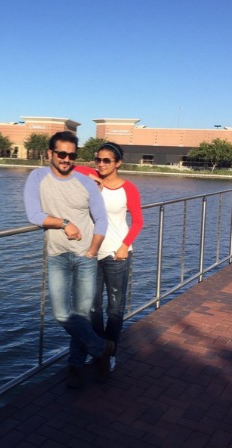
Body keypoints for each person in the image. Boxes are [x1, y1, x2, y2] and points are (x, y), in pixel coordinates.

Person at [23, 131, 115, 388]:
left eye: (71, 155)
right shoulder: (37, 177)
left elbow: (101, 219)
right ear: (50, 153)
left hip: (85, 256)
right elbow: (33, 215)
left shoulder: (85, 183)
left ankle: (75, 364)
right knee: (62, 314)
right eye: (61, 154)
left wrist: (93, 249)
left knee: (82, 316)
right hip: (57, 255)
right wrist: (64, 223)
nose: (66, 159)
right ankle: (103, 348)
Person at [80, 142, 144, 372]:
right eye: (97, 159)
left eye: (107, 160)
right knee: (92, 307)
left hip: (117, 253)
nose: (101, 164)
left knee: (115, 308)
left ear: (118, 163)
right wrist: (91, 176)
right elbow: (65, 166)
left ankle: (111, 352)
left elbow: (138, 221)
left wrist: (125, 246)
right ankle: (99, 349)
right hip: (92, 252)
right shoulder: (90, 179)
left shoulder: (128, 189)